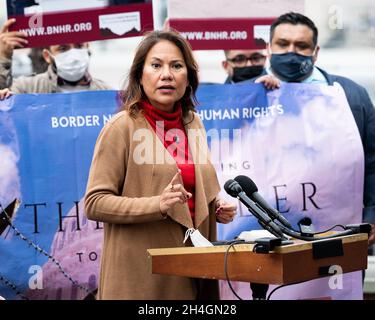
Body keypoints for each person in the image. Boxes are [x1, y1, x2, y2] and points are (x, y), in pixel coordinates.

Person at [84, 30, 237, 300]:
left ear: (188, 78)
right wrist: (157, 205)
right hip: (142, 275)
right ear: (140, 76)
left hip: (194, 270)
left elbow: (193, 190)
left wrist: (215, 207)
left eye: (176, 66)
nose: (166, 74)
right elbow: (95, 203)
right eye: (156, 65)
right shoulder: (121, 127)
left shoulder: (193, 123)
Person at [260, 12, 375, 245]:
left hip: (337, 228)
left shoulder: (351, 96)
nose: (291, 52)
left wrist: (373, 214)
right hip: (268, 233)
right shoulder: (251, 96)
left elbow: (372, 162)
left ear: (315, 52)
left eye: (301, 46)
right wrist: (251, 98)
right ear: (269, 48)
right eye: (283, 44)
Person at [0, 19, 111, 93]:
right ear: (47, 56)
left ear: (87, 47)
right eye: (63, 48)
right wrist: (4, 58)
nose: (73, 54)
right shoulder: (26, 89)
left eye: (79, 46)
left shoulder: (106, 93)